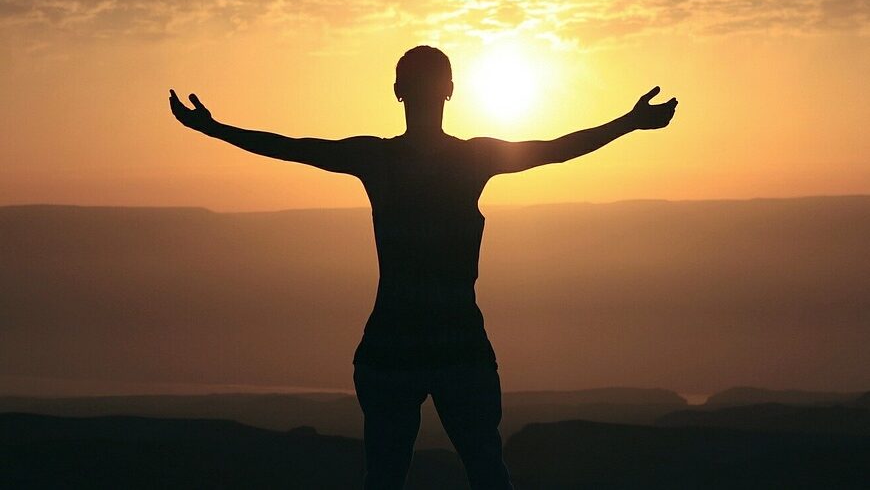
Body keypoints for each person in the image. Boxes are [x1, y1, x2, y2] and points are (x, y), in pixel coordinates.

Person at [169, 45, 677, 489]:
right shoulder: (471, 159)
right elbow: (556, 151)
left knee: (390, 476)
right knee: (485, 472)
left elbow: (292, 149)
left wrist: (213, 129)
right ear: (450, 91)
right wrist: (628, 123)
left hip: (395, 344)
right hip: (455, 344)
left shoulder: (379, 158)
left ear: (397, 92)